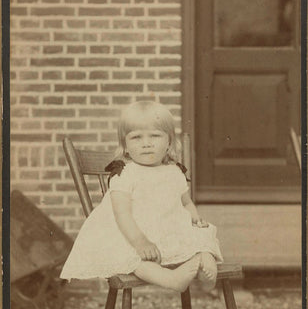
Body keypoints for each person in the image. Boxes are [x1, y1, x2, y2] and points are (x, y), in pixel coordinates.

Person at [60, 100, 223, 292]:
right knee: (132, 257)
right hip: (132, 233)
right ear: (125, 146)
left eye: (155, 136)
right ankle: (170, 279)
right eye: (136, 137)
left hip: (165, 228)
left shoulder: (173, 171)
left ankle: (205, 260)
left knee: (202, 232)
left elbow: (186, 203)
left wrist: (194, 217)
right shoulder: (125, 173)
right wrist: (140, 242)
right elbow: (122, 214)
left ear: (169, 142)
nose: (146, 144)